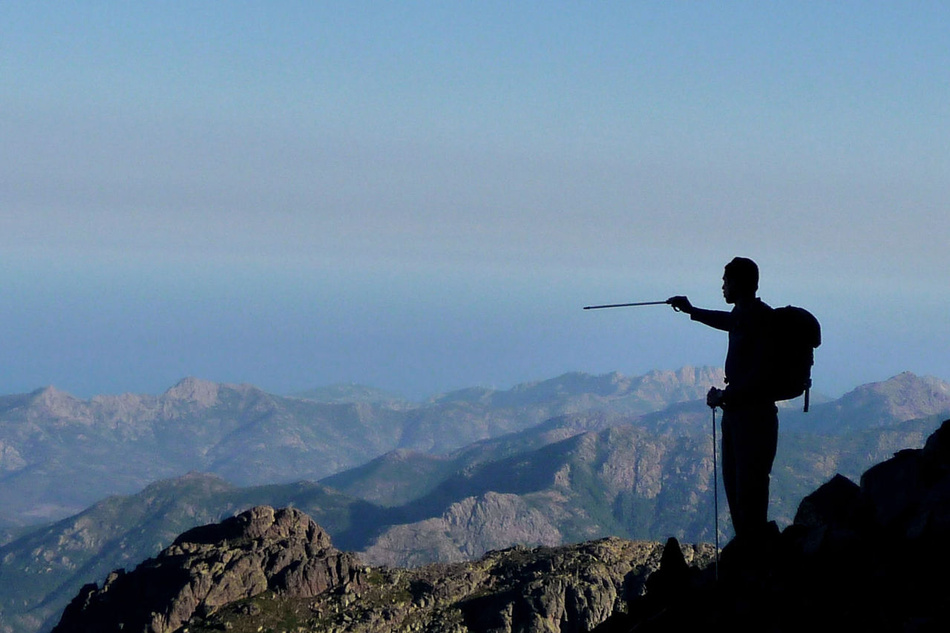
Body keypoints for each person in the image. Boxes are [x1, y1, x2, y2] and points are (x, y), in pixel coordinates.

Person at [667, 257, 778, 545]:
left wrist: (724, 396)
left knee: (748, 490)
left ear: (738, 283)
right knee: (739, 488)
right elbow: (726, 321)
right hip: (739, 415)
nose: (722, 287)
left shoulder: (759, 319)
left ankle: (755, 553)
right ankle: (750, 549)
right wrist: (691, 310)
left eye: (725, 281)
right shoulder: (746, 315)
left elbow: (759, 377)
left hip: (752, 418)